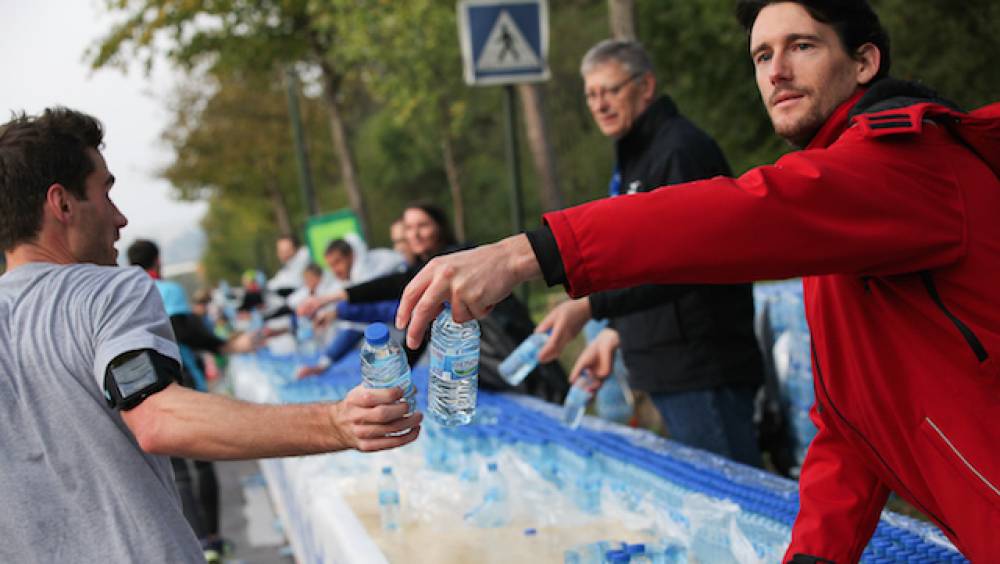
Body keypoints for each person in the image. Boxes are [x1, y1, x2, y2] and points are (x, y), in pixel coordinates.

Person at [394, 1, 1000, 560]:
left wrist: (528, 253)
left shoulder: (908, 162)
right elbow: (850, 425)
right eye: (762, 55)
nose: (777, 71)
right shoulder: (846, 207)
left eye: (802, 46)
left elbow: (738, 215)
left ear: (865, 61)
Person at [0, 107, 421, 562]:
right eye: (106, 192)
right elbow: (158, 419)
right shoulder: (109, 289)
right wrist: (335, 422)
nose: (120, 218)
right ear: (62, 204)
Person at [534, 39, 764, 466]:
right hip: (668, 367)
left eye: (610, 90)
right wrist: (613, 332)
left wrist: (590, 307)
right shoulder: (635, 154)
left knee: (727, 494)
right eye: (591, 94)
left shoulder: (679, 151)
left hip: (702, 368)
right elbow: (639, 260)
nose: (599, 104)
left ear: (646, 87)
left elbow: (682, 262)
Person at [301, 203, 569, 403]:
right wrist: (395, 377)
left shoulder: (460, 256)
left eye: (423, 226)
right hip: (482, 367)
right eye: (409, 228)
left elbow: (397, 285)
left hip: (509, 347)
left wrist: (332, 300)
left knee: (548, 403)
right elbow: (420, 329)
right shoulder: (422, 269)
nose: (414, 234)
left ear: (439, 227)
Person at [127, 238, 257, 560]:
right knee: (202, 462)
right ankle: (213, 538)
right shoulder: (167, 290)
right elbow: (184, 331)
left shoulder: (125, 295)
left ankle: (198, 543)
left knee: (177, 471)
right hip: (184, 381)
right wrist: (224, 346)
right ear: (158, 261)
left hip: (149, 390)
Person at [295, 236, 405, 377]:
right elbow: (355, 327)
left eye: (337, 262)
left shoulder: (374, 269)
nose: (335, 270)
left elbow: (384, 310)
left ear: (351, 255)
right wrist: (323, 364)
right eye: (331, 266)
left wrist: (338, 312)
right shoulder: (352, 279)